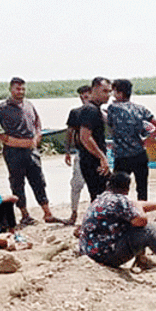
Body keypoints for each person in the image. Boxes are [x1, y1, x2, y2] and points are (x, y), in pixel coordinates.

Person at [78, 171, 156, 278]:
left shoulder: (102, 198)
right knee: (148, 229)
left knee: (129, 222)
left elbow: (133, 204)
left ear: (108, 185)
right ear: (127, 189)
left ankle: (142, 260)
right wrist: (142, 208)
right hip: (104, 255)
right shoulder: (120, 200)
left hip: (91, 251)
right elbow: (142, 220)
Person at [0, 77, 60, 225]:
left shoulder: (28, 104)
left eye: (23, 89)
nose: (20, 91)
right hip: (13, 149)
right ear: (11, 89)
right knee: (17, 183)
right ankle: (25, 214)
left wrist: (38, 134)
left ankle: (47, 213)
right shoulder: (2, 107)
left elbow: (37, 120)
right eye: (17, 89)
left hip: (31, 149)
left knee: (38, 181)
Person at [108, 79, 156, 202]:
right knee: (142, 188)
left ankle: (119, 210)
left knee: (118, 188)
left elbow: (109, 123)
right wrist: (147, 140)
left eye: (113, 91)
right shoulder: (140, 108)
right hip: (140, 154)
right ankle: (142, 211)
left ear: (119, 93)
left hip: (122, 156)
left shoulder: (113, 108)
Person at [77, 77, 114, 200]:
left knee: (104, 194)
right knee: (100, 196)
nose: (108, 95)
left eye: (109, 91)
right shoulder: (90, 110)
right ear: (94, 90)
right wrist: (102, 157)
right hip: (92, 161)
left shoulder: (96, 109)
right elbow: (85, 137)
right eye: (104, 91)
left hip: (94, 160)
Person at [63, 85, 91, 225]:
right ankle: (74, 213)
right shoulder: (76, 112)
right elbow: (70, 132)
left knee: (97, 185)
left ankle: (95, 214)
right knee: (76, 184)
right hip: (81, 152)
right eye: (82, 97)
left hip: (96, 153)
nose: (84, 100)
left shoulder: (98, 111)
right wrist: (67, 151)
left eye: (86, 96)